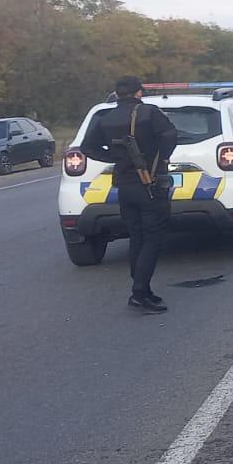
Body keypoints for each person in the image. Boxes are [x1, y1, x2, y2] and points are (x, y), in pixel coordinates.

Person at [80, 76, 179, 313]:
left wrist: (115, 158)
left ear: (116, 94)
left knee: (136, 236)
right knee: (153, 238)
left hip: (124, 185)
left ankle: (142, 289)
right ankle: (139, 292)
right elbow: (170, 135)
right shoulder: (149, 113)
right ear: (138, 93)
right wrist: (160, 158)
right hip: (150, 183)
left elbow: (87, 147)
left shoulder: (104, 117)